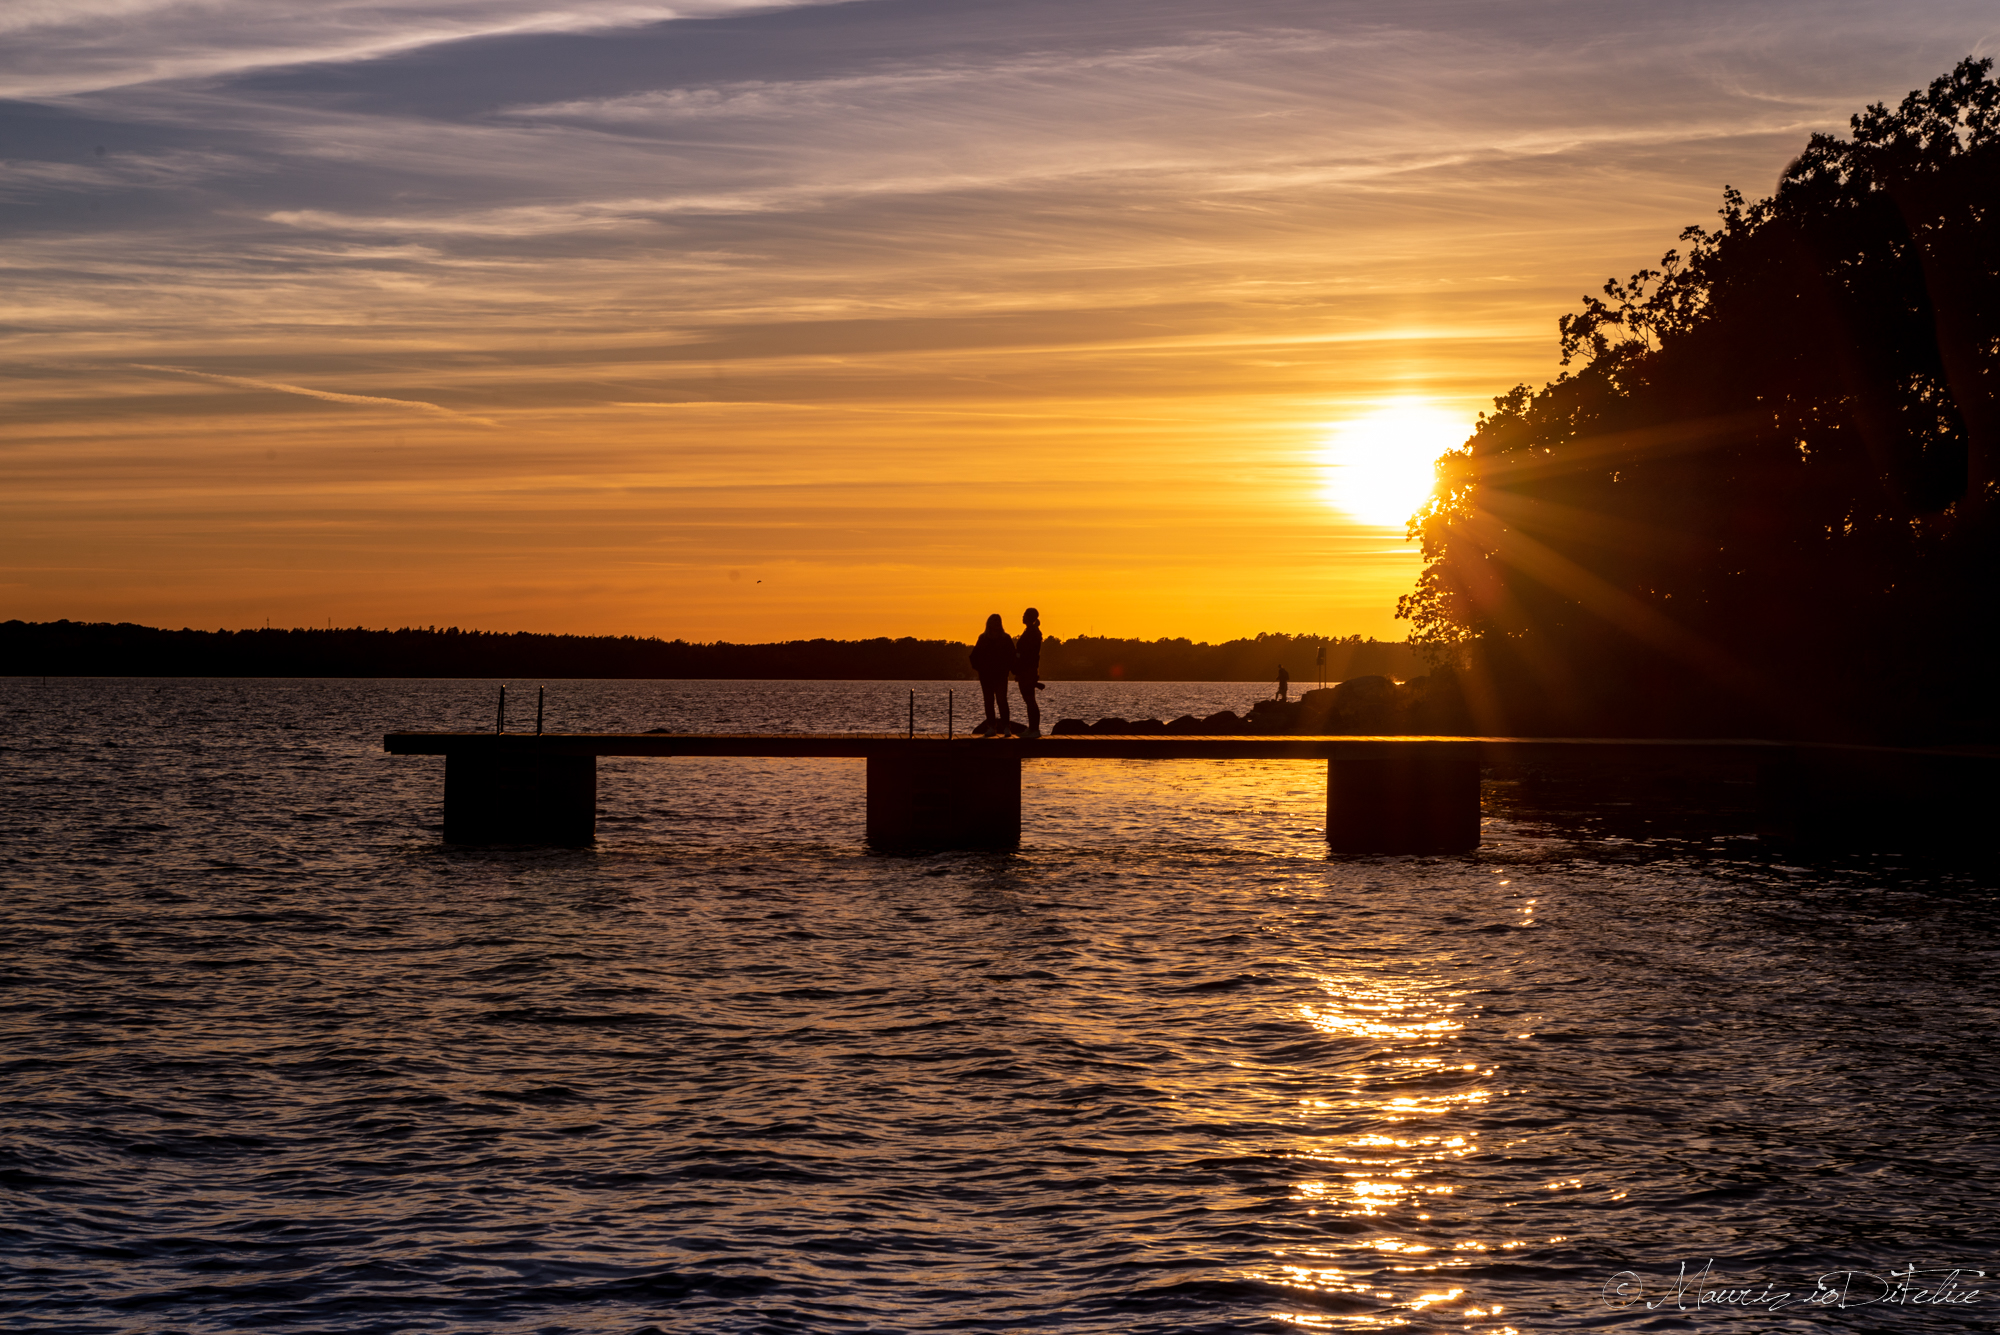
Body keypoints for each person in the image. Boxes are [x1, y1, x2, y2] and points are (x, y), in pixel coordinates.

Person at [969, 613, 1014, 729]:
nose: (995, 624)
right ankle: (991, 726)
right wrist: (979, 668)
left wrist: (1008, 668)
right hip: (986, 676)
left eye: (997, 621)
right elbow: (974, 656)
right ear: (989, 624)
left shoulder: (1006, 638)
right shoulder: (983, 638)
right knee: (988, 702)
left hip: (1000, 675)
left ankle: (1006, 727)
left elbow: (1012, 655)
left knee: (1002, 701)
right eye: (993, 621)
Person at [1015, 607, 1045, 736]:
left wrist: (1021, 669)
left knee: (1030, 700)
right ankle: (1032, 728)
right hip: (1027, 669)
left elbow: (1029, 654)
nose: (1022, 617)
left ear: (1028, 617)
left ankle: (1034, 729)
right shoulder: (1031, 631)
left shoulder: (1032, 633)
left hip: (1027, 670)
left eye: (1024, 615)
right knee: (1029, 700)